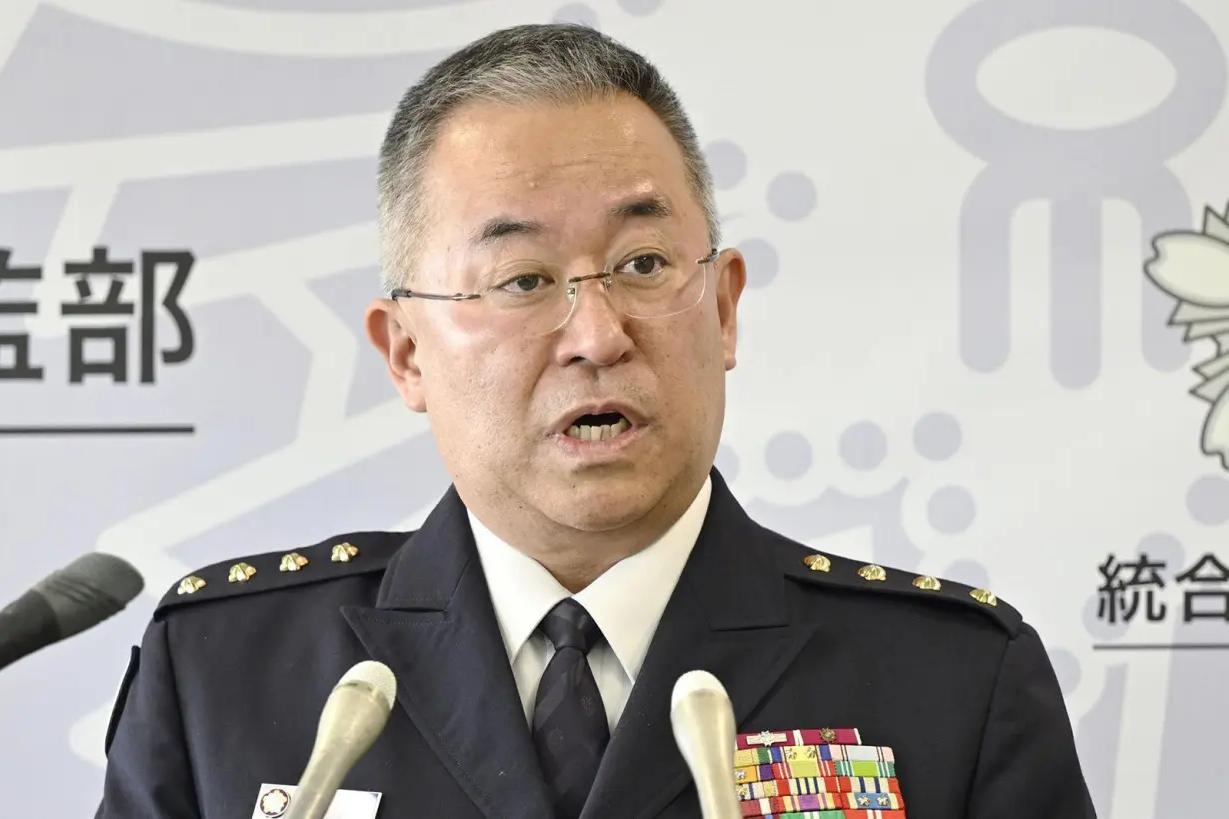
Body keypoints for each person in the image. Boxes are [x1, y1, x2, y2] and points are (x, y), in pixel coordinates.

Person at [95, 22, 1096, 819]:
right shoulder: (224, 674)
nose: (597, 334)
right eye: (523, 279)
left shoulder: (949, 682)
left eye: (646, 266)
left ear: (725, 306)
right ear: (406, 354)